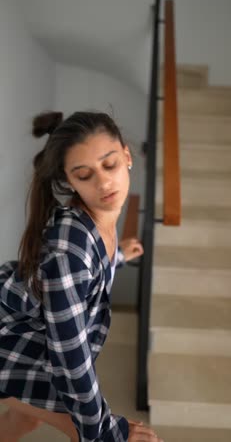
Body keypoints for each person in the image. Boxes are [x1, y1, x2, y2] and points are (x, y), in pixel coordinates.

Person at [0, 111, 163, 442]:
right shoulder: (69, 248)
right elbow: (70, 353)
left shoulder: (98, 219)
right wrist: (103, 429)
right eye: (84, 174)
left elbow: (83, 280)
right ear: (68, 180)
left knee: (24, 420)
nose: (103, 183)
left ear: (127, 155)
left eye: (110, 164)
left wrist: (116, 257)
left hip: (27, 333)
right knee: (82, 428)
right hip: (11, 342)